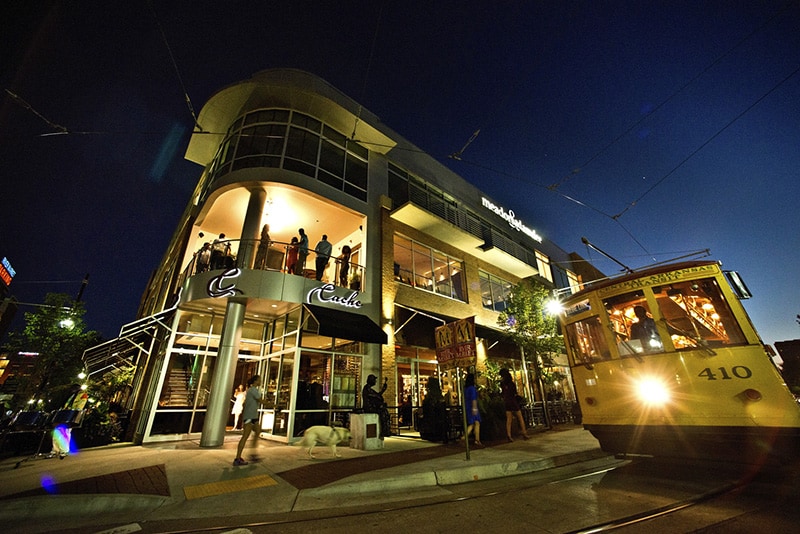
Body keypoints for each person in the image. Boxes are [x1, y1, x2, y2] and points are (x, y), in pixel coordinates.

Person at [234, 375, 268, 466]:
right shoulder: (253, 390)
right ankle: (237, 458)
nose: (260, 381)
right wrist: (274, 405)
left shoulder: (252, 390)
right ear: (255, 381)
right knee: (245, 436)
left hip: (253, 416)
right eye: (259, 380)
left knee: (257, 431)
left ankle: (253, 454)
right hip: (249, 416)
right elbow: (260, 400)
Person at [499, 368, 528, 442]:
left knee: (509, 420)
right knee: (520, 417)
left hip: (507, 402)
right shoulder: (511, 384)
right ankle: (524, 433)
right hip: (513, 402)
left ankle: (509, 435)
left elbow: (503, 393)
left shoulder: (502, 384)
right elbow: (515, 393)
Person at [362, 374, 391, 438]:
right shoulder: (367, 389)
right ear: (371, 380)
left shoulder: (369, 389)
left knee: (385, 412)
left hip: (372, 407)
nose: (375, 381)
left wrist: (383, 390)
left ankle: (386, 430)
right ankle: (384, 431)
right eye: (374, 380)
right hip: (369, 408)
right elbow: (376, 396)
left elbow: (377, 395)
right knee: (383, 412)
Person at [463, 373, 483, 447]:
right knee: (475, 423)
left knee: (475, 423)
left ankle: (477, 439)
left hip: (468, 407)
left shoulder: (466, 389)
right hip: (473, 407)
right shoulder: (472, 388)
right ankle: (472, 439)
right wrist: (474, 408)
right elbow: (474, 399)